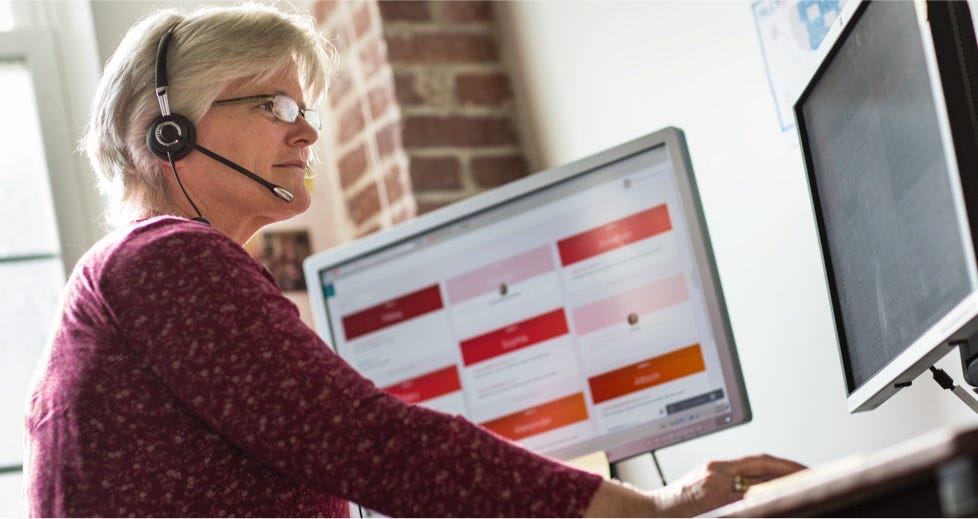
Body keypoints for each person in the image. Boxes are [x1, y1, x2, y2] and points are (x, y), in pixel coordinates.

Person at [24, 3, 804, 517]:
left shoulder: (125, 281)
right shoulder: (166, 263)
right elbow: (368, 440)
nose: (307, 133)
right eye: (272, 106)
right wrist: (650, 510)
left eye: (306, 109)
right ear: (164, 134)